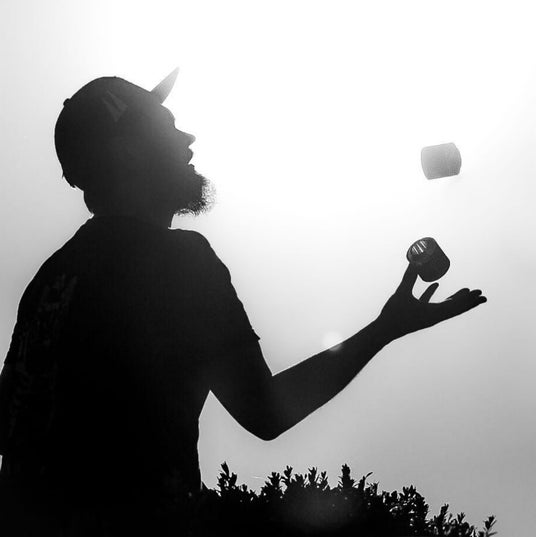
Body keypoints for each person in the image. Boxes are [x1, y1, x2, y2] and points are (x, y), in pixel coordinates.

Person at [0, 69, 486, 536]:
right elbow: (266, 413)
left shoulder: (49, 281)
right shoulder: (175, 262)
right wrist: (386, 328)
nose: (188, 139)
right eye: (166, 127)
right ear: (127, 152)